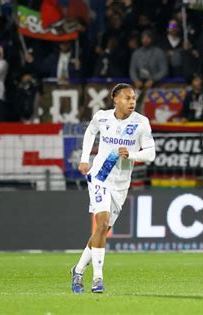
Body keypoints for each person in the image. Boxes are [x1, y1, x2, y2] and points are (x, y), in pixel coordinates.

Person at [70, 83, 156, 294]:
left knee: (103, 230)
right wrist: (84, 159)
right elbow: (90, 133)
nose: (132, 102)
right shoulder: (102, 117)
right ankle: (98, 278)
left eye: (134, 98)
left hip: (121, 183)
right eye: (127, 98)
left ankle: (78, 269)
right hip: (100, 175)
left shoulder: (141, 123)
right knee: (102, 222)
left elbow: (151, 153)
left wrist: (132, 155)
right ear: (115, 99)